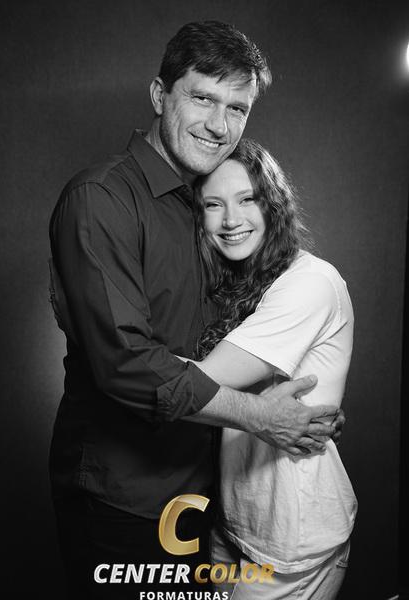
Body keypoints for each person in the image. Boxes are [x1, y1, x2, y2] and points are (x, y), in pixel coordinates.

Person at [48, 20, 344, 599]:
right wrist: (261, 417)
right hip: (123, 499)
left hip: (206, 493)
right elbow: (127, 363)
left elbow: (234, 335)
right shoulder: (101, 198)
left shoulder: (212, 205)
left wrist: (310, 409)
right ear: (160, 95)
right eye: (203, 98)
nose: (219, 124)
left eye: (237, 108)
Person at [186, 138, 357, 599]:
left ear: (274, 204)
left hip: (291, 538)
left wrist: (113, 357)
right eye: (213, 204)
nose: (231, 220)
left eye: (247, 199)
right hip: (234, 521)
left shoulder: (309, 282)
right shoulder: (236, 283)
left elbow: (197, 383)